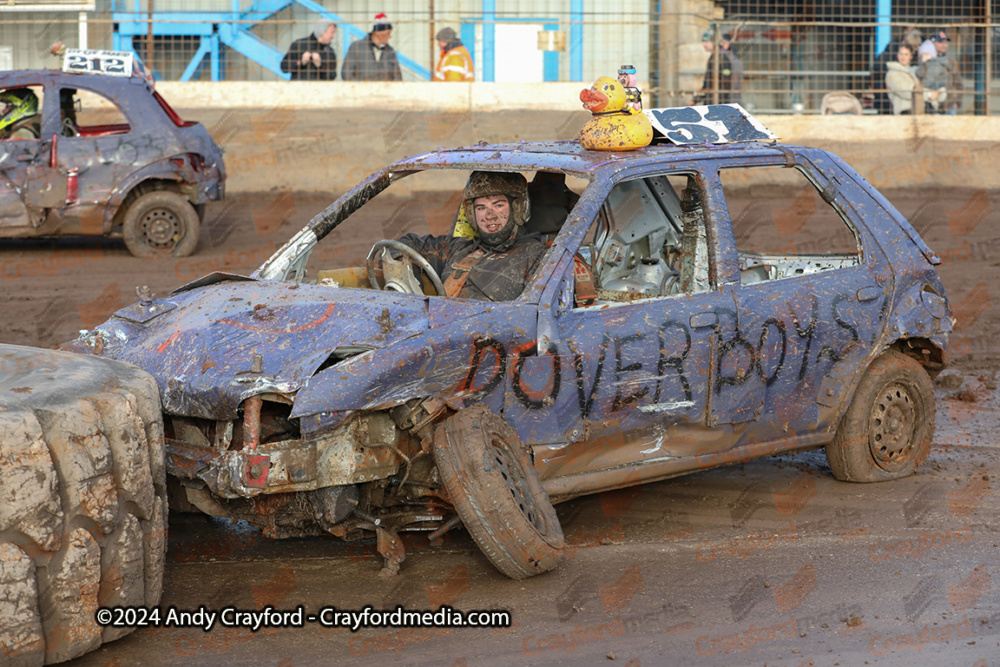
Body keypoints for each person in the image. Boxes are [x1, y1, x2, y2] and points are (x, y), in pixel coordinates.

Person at [398, 171, 547, 301]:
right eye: (481, 208)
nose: (489, 216)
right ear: (471, 214)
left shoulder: (536, 256)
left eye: (498, 205)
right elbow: (404, 245)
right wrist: (413, 291)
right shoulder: (457, 247)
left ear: (518, 209)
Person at [868, 26, 922, 114]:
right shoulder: (892, 55)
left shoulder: (910, 56)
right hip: (885, 91)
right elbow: (877, 71)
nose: (914, 50)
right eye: (913, 47)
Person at [342, 13, 402, 82]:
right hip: (361, 92)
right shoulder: (356, 47)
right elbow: (346, 74)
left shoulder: (390, 52)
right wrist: (361, 88)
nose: (390, 36)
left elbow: (397, 78)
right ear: (378, 32)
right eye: (388, 33)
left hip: (384, 92)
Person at [917, 31, 963, 114]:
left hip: (949, 106)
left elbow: (959, 84)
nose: (944, 45)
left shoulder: (950, 62)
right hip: (930, 105)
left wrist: (956, 101)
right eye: (941, 42)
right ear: (933, 43)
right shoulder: (924, 62)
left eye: (946, 42)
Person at [693, 30, 742, 105]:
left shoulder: (723, 57)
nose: (703, 44)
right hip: (719, 101)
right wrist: (697, 99)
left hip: (725, 102)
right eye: (703, 41)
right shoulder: (716, 56)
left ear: (715, 42)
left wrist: (718, 103)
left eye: (706, 42)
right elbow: (709, 81)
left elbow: (725, 83)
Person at [885, 43, 921, 115]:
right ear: (897, 55)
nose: (903, 57)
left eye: (906, 54)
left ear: (911, 56)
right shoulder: (892, 73)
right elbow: (906, 92)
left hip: (920, 109)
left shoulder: (917, 71)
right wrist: (928, 94)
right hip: (904, 111)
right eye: (901, 54)